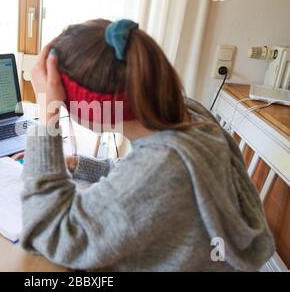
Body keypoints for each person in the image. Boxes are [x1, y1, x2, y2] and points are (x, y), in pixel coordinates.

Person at [19, 19, 275, 271]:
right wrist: (83, 165)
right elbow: (142, 180)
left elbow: (50, 232)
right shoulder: (189, 114)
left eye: (62, 101)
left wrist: (47, 115)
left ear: (94, 109)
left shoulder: (162, 166)